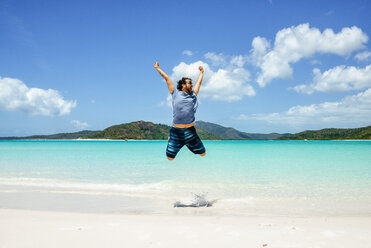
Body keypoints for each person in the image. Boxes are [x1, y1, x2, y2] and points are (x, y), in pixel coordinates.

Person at [154, 62, 206, 160]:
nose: (192, 84)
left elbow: (199, 83)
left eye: (192, 83)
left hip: (190, 132)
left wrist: (202, 72)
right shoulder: (175, 93)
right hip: (176, 131)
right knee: (170, 158)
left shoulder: (194, 95)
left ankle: (188, 144)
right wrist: (157, 68)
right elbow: (166, 78)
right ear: (183, 85)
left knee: (203, 153)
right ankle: (171, 140)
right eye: (189, 83)